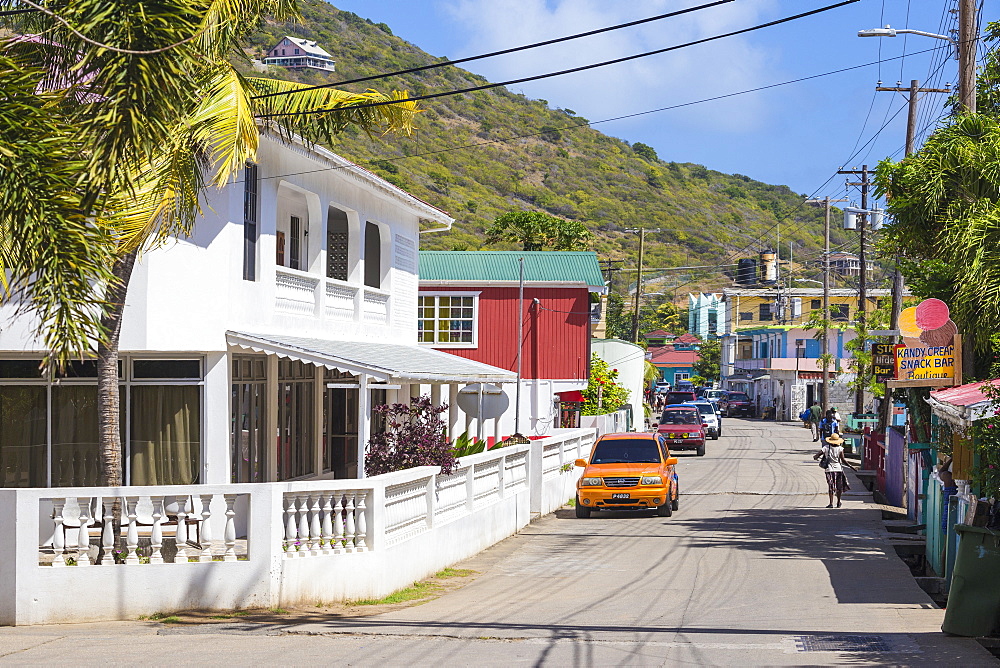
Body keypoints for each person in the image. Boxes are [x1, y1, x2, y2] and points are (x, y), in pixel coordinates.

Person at [813, 433, 855, 507]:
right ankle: (838, 502)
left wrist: (816, 457)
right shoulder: (840, 449)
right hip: (838, 469)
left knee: (831, 486)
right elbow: (843, 460)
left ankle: (831, 503)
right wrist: (851, 466)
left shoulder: (826, 448)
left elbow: (817, 455)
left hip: (829, 470)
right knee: (839, 486)